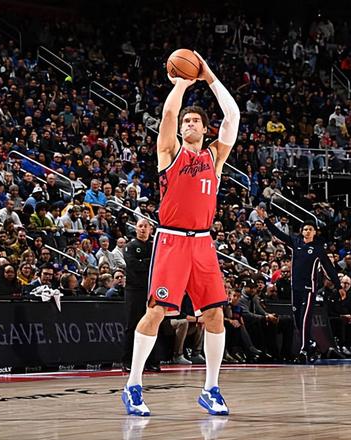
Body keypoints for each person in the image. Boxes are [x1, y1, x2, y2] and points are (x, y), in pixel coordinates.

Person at [122, 51, 239, 417]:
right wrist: (182, 84)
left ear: (204, 130)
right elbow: (168, 115)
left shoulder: (214, 157)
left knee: (215, 315)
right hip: (171, 239)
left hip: (203, 242)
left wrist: (209, 76)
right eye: (186, 120)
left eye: (195, 121)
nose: (188, 123)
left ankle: (211, 389)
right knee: (156, 311)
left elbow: (233, 116)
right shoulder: (170, 151)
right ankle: (133, 385)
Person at [262, 209, 344, 362]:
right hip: (296, 288)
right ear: (301, 231)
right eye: (305, 229)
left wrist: (339, 286)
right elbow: (279, 234)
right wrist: (266, 220)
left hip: (309, 288)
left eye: (310, 229)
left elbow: (329, 268)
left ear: (315, 232)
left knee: (305, 318)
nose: (307, 231)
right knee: (298, 320)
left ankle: (304, 350)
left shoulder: (318, 249)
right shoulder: (296, 242)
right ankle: (311, 344)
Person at [122, 219, 155, 371]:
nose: (142, 229)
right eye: (140, 226)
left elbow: (158, 263)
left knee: (151, 325)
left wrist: (144, 262)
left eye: (145, 226)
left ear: (150, 229)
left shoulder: (153, 246)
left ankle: (150, 361)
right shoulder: (130, 246)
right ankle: (127, 362)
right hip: (134, 290)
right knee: (132, 325)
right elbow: (134, 265)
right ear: (136, 229)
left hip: (150, 290)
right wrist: (148, 262)